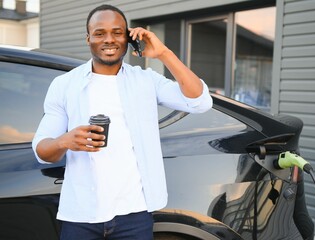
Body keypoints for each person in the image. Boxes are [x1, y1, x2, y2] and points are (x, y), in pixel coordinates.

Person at [32, 4, 212, 240]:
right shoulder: (64, 85)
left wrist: (163, 53)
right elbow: (42, 151)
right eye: (99, 33)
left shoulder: (146, 81)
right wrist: (64, 141)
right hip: (81, 215)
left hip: (134, 215)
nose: (109, 40)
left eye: (117, 32)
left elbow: (199, 102)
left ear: (127, 37)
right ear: (88, 38)